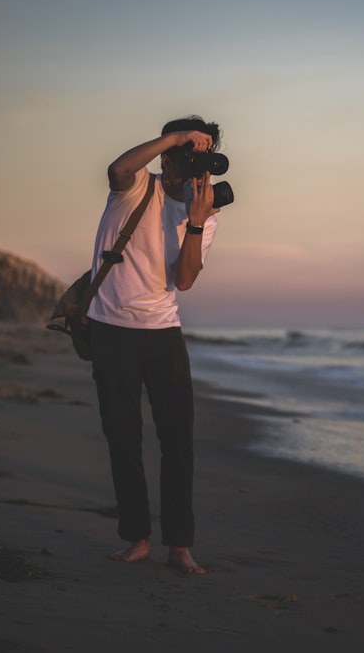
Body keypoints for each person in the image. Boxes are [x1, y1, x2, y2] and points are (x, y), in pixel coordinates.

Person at [86, 115, 223, 574]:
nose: (194, 169)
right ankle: (137, 538)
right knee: (123, 438)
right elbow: (117, 168)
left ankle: (179, 545)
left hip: (163, 333)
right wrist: (175, 138)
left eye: (200, 158)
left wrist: (197, 223)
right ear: (168, 155)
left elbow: (183, 281)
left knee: (178, 442)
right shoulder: (136, 185)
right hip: (110, 329)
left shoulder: (201, 211)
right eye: (186, 155)